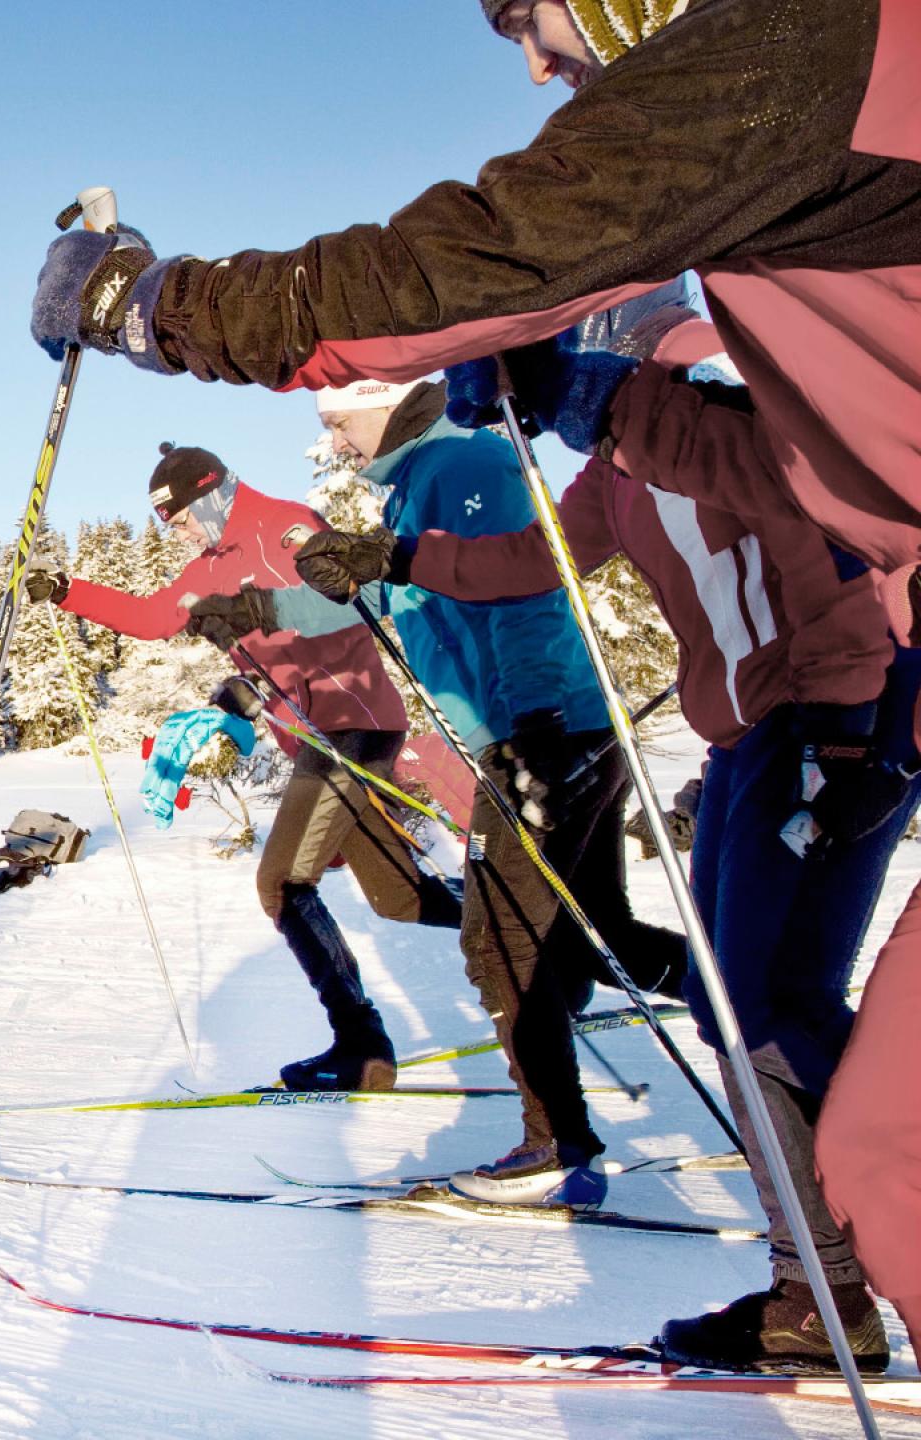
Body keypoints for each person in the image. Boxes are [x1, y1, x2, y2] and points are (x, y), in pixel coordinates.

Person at [298, 303, 917, 1370]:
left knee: (771, 1008)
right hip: (745, 741)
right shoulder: (618, 469)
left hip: (835, 711)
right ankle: (814, 1291)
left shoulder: (724, 405)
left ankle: (853, 1261)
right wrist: (393, 555)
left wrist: (855, 734)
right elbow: (525, 561)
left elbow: (831, 542)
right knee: (737, 1008)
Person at [27, 0, 921, 578]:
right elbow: (833, 479)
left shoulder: (800, 41)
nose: (535, 63)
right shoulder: (807, 100)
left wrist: (156, 307)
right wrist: (598, 403)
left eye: (524, 15)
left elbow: (466, 261)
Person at [233, 376, 687, 1206]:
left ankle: (557, 1145)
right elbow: (381, 594)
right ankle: (755, 1017)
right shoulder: (419, 481)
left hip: (540, 735)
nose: (333, 441)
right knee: (595, 932)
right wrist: (262, 604)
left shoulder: (459, 463)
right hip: (544, 731)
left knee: (501, 940)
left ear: (384, 401)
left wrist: (537, 726)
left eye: (337, 422)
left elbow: (524, 590)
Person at [25, 438, 454, 1091]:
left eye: (183, 519)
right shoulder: (209, 564)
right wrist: (65, 591)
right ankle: (547, 924)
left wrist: (257, 636)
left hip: (351, 723)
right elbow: (150, 618)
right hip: (324, 734)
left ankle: (361, 1045)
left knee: (282, 884)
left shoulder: (284, 527)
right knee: (399, 897)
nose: (181, 535)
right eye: (170, 527)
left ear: (213, 494)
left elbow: (341, 602)